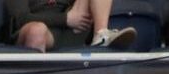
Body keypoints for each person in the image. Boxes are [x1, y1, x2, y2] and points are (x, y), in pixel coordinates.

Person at [9, 0, 138, 48]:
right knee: (37, 30)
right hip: (38, 30)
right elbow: (21, 19)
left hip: (70, 31)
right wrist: (65, 19)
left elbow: (78, 12)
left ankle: (101, 35)